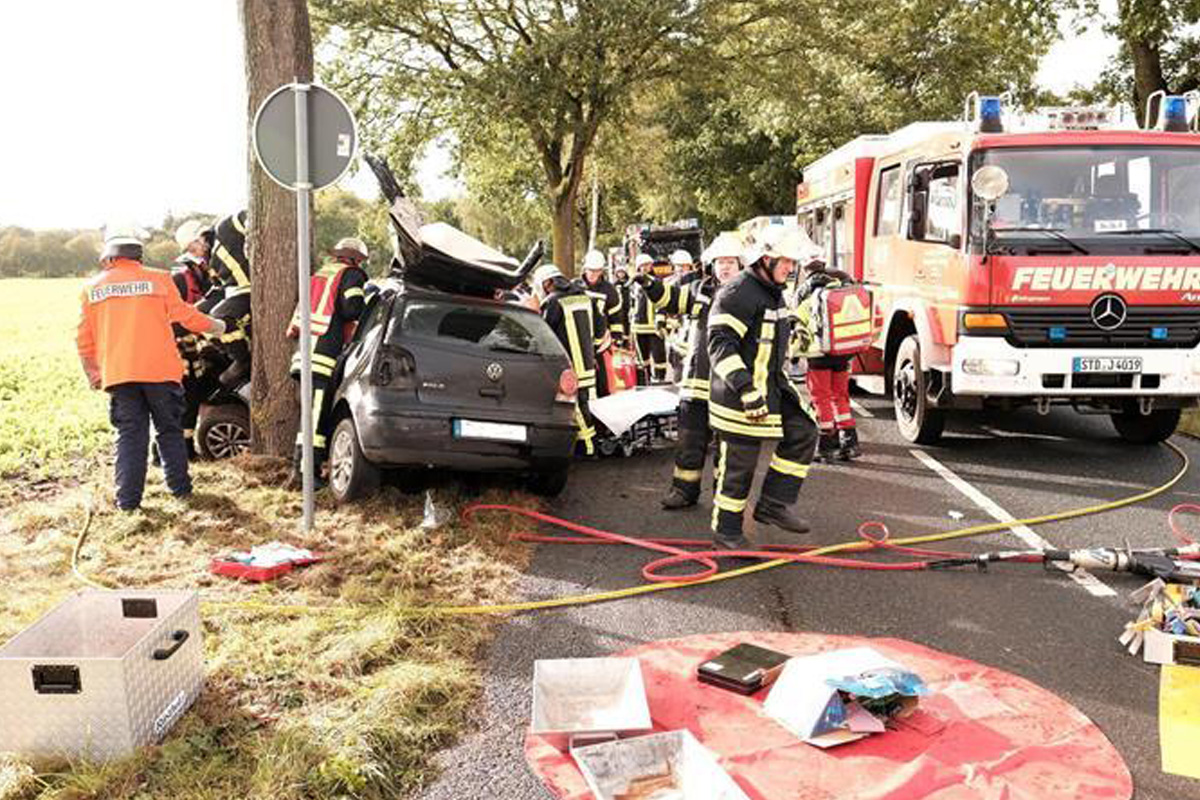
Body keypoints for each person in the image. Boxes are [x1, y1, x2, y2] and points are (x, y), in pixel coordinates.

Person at [76, 226, 226, 511]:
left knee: (130, 435)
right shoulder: (159, 280)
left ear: (108, 258)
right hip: (160, 372)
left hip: (119, 375)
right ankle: (180, 491)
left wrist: (93, 373)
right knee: (169, 430)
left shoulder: (91, 289)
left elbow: (83, 339)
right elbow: (185, 315)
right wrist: (218, 326)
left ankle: (128, 502)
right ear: (139, 257)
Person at [706, 229, 820, 550]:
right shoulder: (738, 292)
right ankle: (726, 532)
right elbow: (719, 346)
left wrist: (795, 329)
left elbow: (768, 334)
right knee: (738, 468)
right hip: (739, 397)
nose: (792, 268)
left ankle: (773, 504)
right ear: (767, 259)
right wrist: (745, 389)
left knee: (803, 430)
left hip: (770, 386)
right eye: (787, 261)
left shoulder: (772, 289)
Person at [639, 232, 744, 509]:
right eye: (720, 261)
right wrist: (649, 285)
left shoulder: (749, 295)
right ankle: (684, 491)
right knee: (689, 439)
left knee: (727, 445)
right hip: (696, 380)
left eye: (731, 262)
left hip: (729, 385)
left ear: (742, 265)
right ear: (711, 264)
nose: (724, 267)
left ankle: (724, 498)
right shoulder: (701, 289)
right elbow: (671, 299)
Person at [287, 237, 371, 482]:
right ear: (356, 259)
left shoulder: (319, 275)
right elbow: (352, 308)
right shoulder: (352, 275)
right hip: (322, 355)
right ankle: (305, 475)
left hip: (304, 353)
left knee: (310, 417)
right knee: (313, 420)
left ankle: (301, 470)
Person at [795, 255, 861, 462]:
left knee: (821, 398)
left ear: (806, 269)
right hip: (841, 352)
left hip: (818, 354)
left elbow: (799, 321)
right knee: (840, 396)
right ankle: (849, 442)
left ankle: (826, 446)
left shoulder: (805, 291)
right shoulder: (839, 286)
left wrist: (795, 354)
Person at [535, 263, 605, 455]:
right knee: (585, 403)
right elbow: (600, 327)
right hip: (588, 361)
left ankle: (589, 448)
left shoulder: (553, 301)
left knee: (576, 406)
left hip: (569, 364)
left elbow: (546, 335)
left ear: (548, 283)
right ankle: (591, 445)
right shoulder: (584, 296)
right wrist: (594, 352)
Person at [197, 210, 252, 387]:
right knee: (197, 316)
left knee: (220, 314)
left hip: (251, 289)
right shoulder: (210, 260)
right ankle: (228, 353)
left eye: (194, 247)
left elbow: (245, 215)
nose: (196, 253)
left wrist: (251, 235)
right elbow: (219, 287)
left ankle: (243, 360)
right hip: (234, 292)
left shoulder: (224, 229)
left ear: (202, 237)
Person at [580, 249, 621, 396]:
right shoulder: (576, 286)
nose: (593, 274)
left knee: (603, 380)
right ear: (585, 268)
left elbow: (615, 315)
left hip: (602, 342)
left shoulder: (609, 290)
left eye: (597, 271)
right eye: (591, 270)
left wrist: (617, 336)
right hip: (581, 340)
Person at [630, 252, 668, 383]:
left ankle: (660, 379)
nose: (646, 267)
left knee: (659, 356)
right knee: (642, 358)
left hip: (654, 327)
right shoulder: (633, 284)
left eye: (648, 265)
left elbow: (663, 302)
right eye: (643, 265)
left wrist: (661, 321)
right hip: (638, 327)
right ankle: (644, 381)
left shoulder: (658, 282)